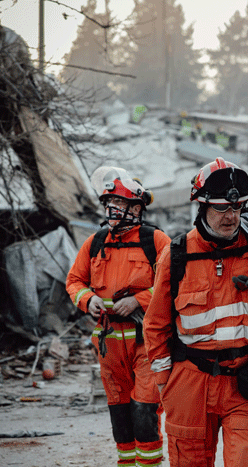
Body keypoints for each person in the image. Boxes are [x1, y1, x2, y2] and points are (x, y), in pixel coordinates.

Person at [142, 157, 248, 467]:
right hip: (189, 384)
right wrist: (165, 383)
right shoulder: (176, 255)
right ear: (202, 206)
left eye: (236, 208)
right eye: (221, 208)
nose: (230, 216)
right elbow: (156, 326)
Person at [66, 167, 170, 467]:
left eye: (120, 204)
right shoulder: (95, 242)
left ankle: (149, 463)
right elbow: (74, 281)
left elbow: (175, 285)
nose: (112, 210)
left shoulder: (156, 241)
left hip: (145, 342)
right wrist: (88, 299)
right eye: (110, 203)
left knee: (144, 408)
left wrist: (139, 300)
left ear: (137, 209)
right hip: (109, 345)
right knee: (121, 413)